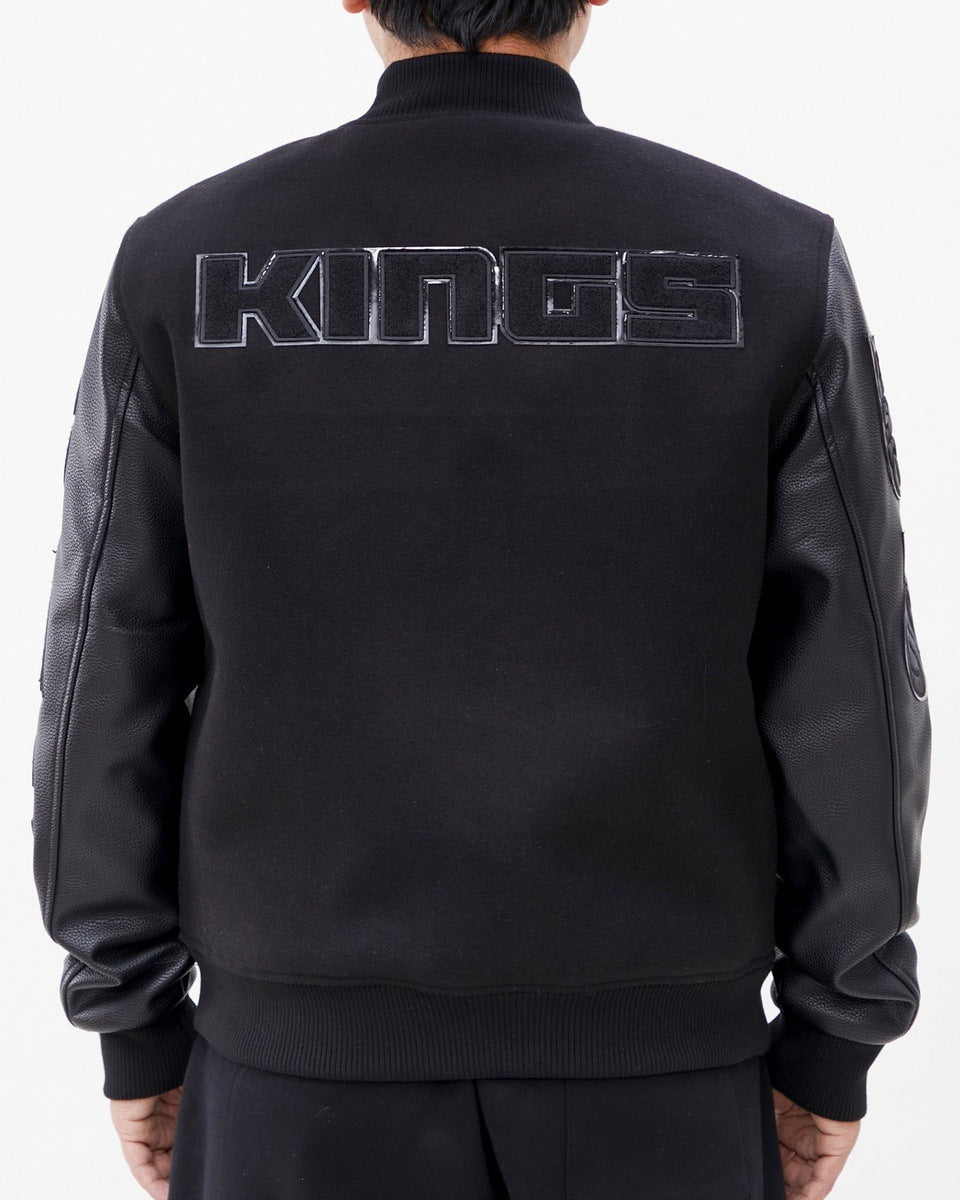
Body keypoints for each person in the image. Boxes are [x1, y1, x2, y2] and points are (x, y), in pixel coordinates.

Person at [32, 2, 931, 1198]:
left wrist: (132, 1016)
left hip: (292, 1081)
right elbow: (850, 687)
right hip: (664, 1077)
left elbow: (106, 664)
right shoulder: (767, 260)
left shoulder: (187, 262)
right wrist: (834, 1035)